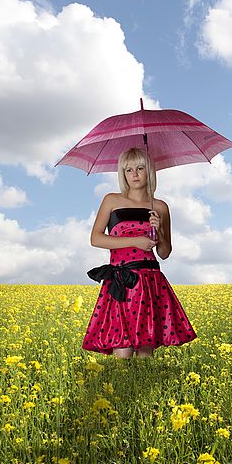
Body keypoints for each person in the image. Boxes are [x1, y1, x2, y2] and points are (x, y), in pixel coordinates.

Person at [82, 147, 197, 359]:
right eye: (128, 170)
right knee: (122, 348)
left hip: (150, 281)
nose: (134, 174)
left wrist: (160, 230)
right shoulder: (112, 200)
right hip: (123, 280)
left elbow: (165, 252)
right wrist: (137, 241)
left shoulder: (160, 207)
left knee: (146, 348)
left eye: (140, 168)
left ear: (149, 171)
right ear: (123, 174)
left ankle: (144, 390)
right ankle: (121, 391)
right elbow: (96, 239)